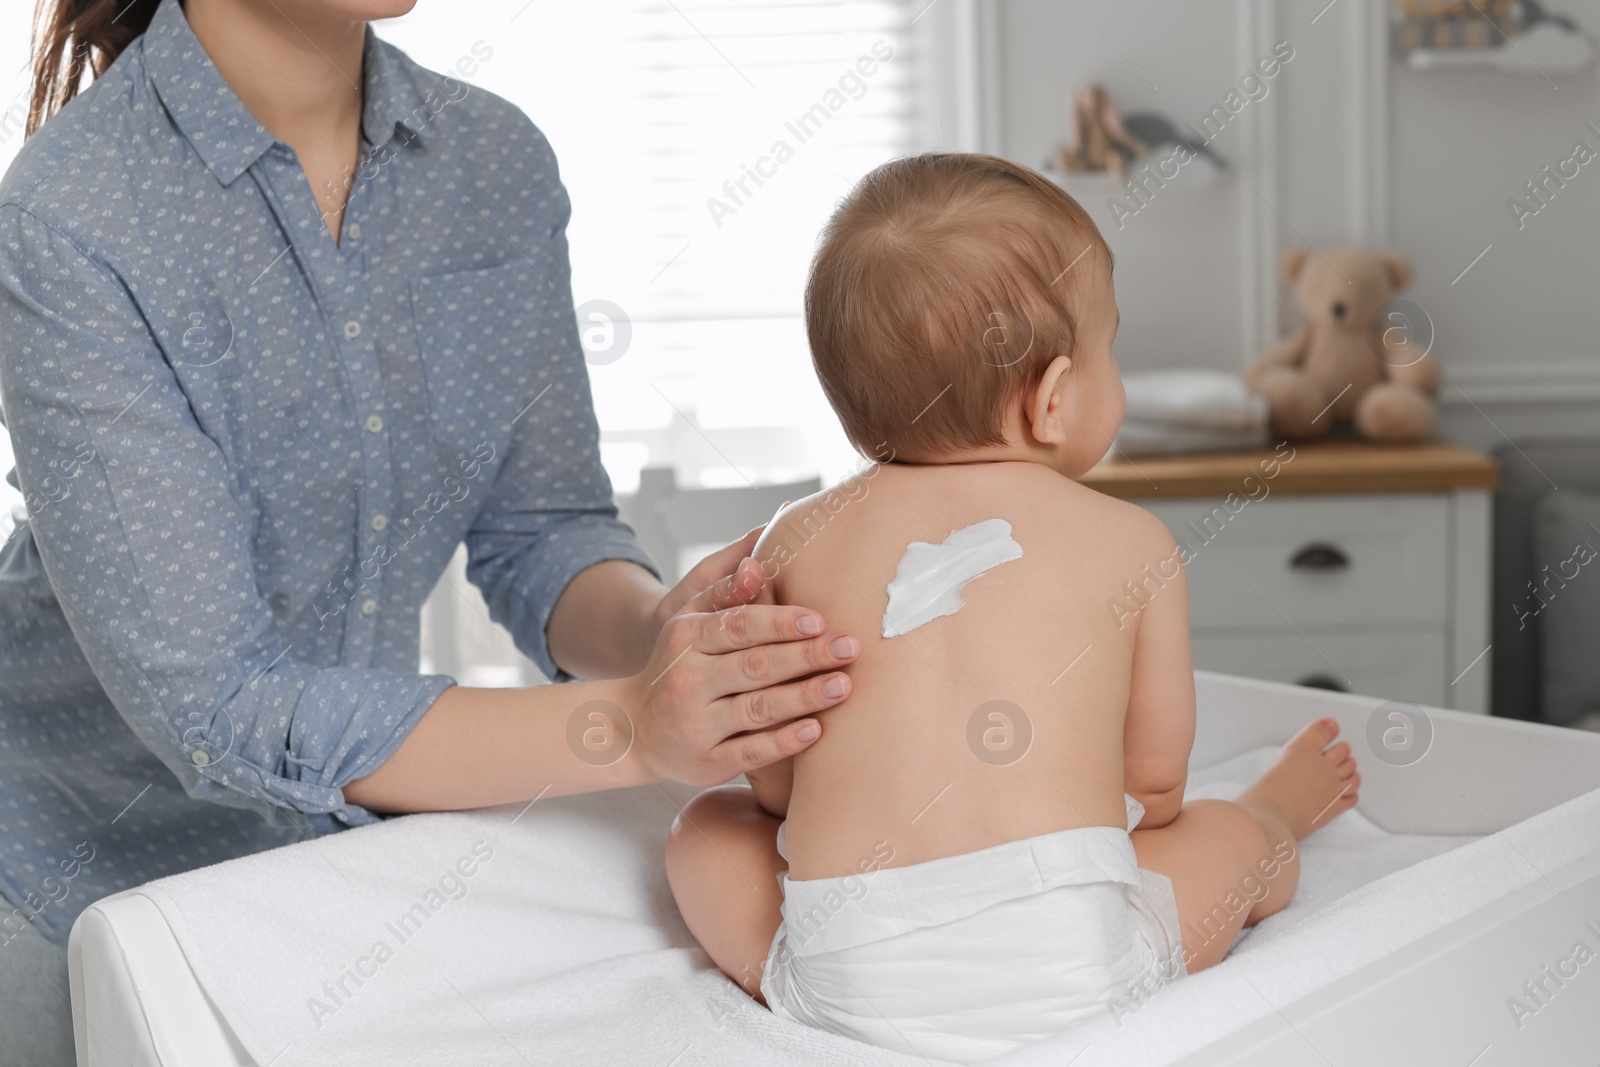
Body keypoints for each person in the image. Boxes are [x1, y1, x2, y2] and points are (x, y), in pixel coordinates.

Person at [0, 1, 862, 1060]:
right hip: (63, 872)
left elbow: (542, 526)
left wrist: (657, 634)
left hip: (324, 872)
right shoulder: (71, 214)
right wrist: (633, 724)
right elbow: (218, 705)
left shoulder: (492, 162)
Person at [664, 152, 1362, 1063]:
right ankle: (1278, 816)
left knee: (703, 833)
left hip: (845, 976)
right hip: (1083, 977)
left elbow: (779, 776)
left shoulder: (794, 538)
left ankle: (804, 993)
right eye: (1114, 347)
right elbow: (1153, 792)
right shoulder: (1132, 542)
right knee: (1223, 837)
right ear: (1053, 398)